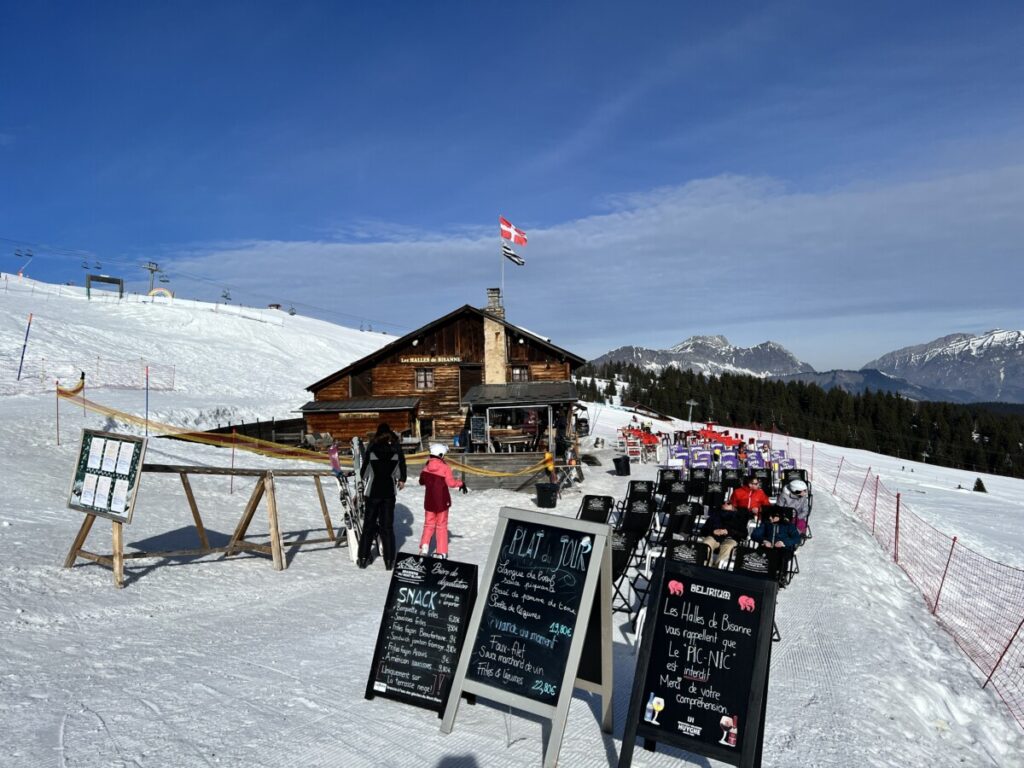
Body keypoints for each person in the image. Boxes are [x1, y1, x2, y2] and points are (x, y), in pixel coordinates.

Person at [358, 423, 407, 570]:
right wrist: (401, 478)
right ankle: (389, 560)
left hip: (372, 492)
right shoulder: (396, 449)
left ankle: (363, 558)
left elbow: (364, 473)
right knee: (387, 528)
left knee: (368, 526)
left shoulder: (372, 448)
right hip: (389, 493)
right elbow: (401, 468)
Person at [418, 443, 466, 559]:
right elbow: (451, 483)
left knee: (428, 524)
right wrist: (461, 483)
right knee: (441, 526)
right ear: (440, 455)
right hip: (442, 502)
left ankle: (424, 546)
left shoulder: (426, 467)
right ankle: (441, 551)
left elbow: (421, 481)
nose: (444, 457)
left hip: (429, 502)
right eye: (443, 455)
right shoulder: (445, 467)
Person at [750, 505, 801, 583]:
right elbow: (754, 535)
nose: (770, 518)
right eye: (769, 515)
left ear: (778, 516)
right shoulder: (766, 524)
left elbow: (797, 539)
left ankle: (781, 576)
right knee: (757, 554)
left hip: (783, 549)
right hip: (767, 547)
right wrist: (764, 541)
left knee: (783, 556)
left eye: (772, 516)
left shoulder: (788, 526)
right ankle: (754, 574)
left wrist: (784, 543)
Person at [699, 502, 751, 568]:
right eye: (723, 503)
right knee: (706, 543)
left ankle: (718, 567)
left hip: (730, 538)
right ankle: (706, 565)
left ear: (734, 507)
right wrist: (713, 531)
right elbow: (703, 530)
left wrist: (729, 531)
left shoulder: (739, 518)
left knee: (728, 546)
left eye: (729, 503)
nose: (725, 504)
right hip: (714, 537)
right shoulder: (715, 516)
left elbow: (744, 534)